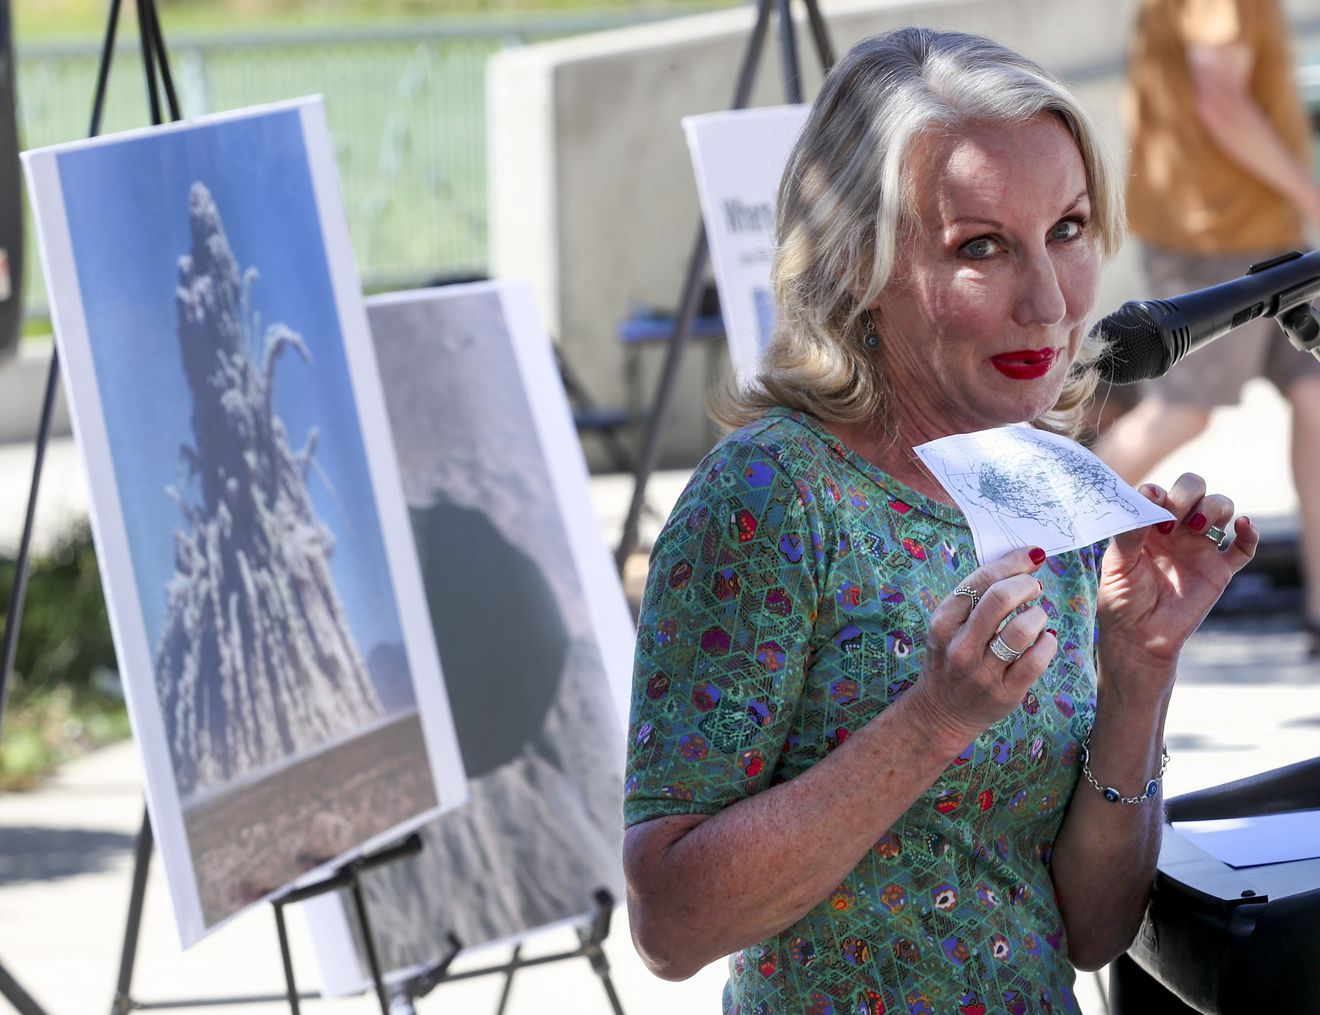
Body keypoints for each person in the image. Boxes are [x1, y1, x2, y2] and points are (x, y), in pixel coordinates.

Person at [621, 27, 1258, 1014]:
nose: (1049, 303)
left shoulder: (1050, 483)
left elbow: (1088, 929)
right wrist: (932, 723)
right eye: (981, 247)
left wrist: (1140, 669)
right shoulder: (771, 498)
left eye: (1070, 229)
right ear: (860, 265)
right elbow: (671, 923)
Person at [1092, 0, 1320, 654]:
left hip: (1262, 234)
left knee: (1316, 395)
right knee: (1183, 411)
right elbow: (1219, 98)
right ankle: (1040, 543)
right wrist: (1313, 196)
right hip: (1217, 237)